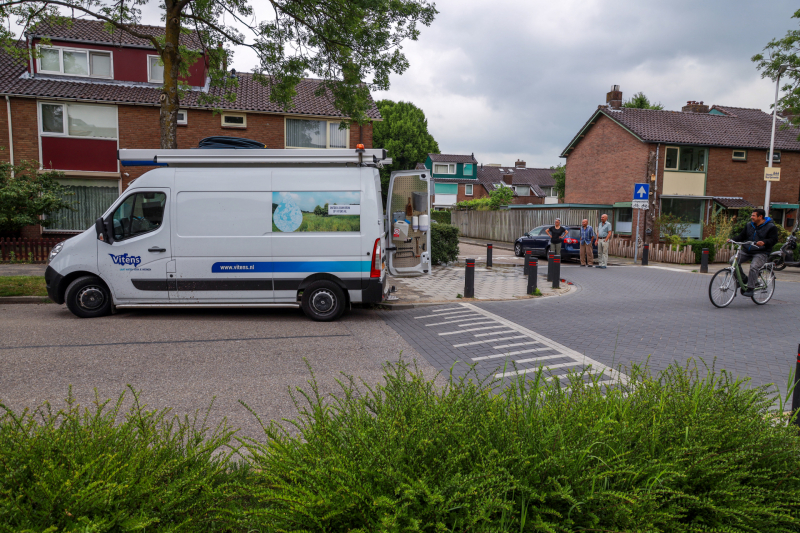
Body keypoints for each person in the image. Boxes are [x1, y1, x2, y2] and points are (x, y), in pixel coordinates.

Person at [730, 208, 778, 297]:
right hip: (748, 250)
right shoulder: (749, 225)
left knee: (754, 266)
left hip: (762, 251)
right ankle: (744, 279)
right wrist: (732, 240)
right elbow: (742, 236)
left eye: (753, 215)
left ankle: (750, 288)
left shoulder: (771, 227)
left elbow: (774, 240)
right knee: (733, 260)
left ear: (760, 217)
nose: (751, 217)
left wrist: (764, 242)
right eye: (751, 215)